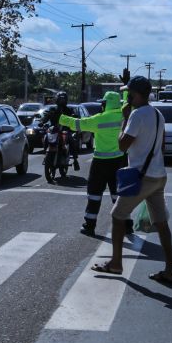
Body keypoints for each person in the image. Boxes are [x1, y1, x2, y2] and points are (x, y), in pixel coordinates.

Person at [92, 76, 172, 284]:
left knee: (118, 215)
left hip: (142, 176)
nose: (126, 95)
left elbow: (122, 146)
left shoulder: (137, 115)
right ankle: (170, 270)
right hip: (159, 176)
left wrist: (124, 120)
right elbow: (162, 147)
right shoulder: (158, 114)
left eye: (128, 92)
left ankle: (115, 263)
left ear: (136, 94)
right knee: (162, 223)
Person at [59, 90, 133, 236]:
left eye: (103, 103)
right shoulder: (125, 116)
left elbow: (77, 124)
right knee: (119, 196)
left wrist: (60, 117)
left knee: (94, 194)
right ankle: (127, 225)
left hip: (100, 163)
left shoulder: (100, 118)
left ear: (106, 104)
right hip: (120, 161)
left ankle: (89, 225)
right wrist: (126, 90)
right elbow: (128, 104)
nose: (102, 106)